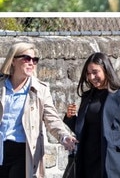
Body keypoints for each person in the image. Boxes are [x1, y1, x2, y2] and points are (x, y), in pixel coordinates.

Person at [64, 52, 120, 178]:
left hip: (114, 164)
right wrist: (70, 118)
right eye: (88, 73)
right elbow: (86, 130)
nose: (91, 77)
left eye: (95, 72)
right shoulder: (87, 97)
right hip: (88, 163)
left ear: (106, 70)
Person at [0, 42, 77, 178]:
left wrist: (64, 136)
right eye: (26, 59)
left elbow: (51, 118)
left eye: (34, 60)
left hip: (23, 151)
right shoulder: (2, 86)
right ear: (13, 61)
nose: (31, 63)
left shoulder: (40, 89)